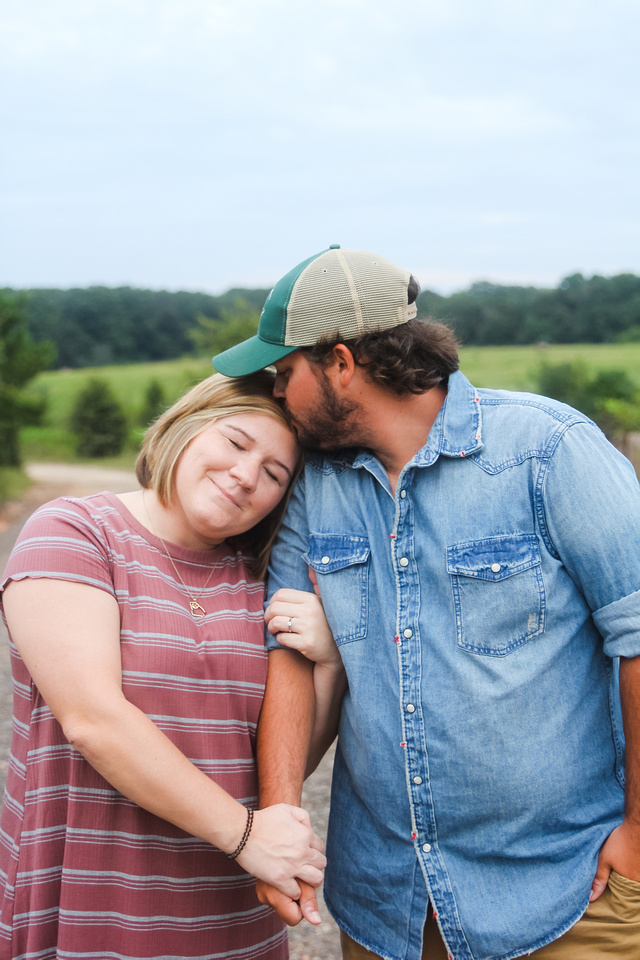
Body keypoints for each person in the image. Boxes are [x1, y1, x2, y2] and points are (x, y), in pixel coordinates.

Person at [211, 246, 640, 960]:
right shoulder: (317, 485)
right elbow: (284, 645)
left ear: (342, 363)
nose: (278, 394)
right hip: (390, 909)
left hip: (572, 893)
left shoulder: (548, 450)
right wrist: (283, 811)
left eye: (285, 374)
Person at [0, 370, 328, 960]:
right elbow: (93, 719)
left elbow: (285, 758)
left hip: (229, 911)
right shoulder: (75, 533)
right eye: (235, 442)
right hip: (96, 896)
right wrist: (247, 836)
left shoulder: (261, 582)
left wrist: (325, 660)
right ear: (186, 425)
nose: (246, 475)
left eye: (275, 474)